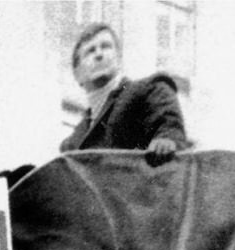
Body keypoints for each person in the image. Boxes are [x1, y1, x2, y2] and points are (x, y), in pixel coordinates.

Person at [60, 21, 188, 163]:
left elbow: (169, 128)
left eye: (106, 46)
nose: (99, 54)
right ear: (78, 74)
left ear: (119, 59)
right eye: (90, 51)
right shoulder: (70, 144)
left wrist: (165, 141)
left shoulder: (148, 90)